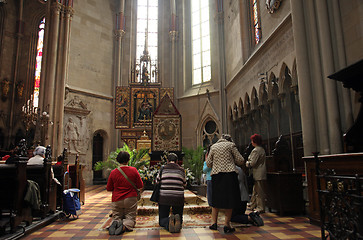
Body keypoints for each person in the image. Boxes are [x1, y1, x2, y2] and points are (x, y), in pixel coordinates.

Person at [206, 134, 245, 233]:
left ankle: (214, 223)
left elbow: (209, 163)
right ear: (230, 140)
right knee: (230, 200)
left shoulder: (214, 146)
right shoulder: (231, 145)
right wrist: (231, 161)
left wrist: (217, 163)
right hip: (229, 175)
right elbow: (240, 160)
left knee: (216, 200)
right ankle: (226, 224)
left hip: (217, 176)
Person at [106, 151, 143, 235]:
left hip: (117, 199)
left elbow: (109, 188)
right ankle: (124, 226)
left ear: (118, 160)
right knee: (130, 217)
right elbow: (140, 185)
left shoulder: (113, 172)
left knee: (117, 216)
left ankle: (115, 223)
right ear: (128, 160)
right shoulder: (133, 170)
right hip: (130, 198)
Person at [156, 153, 186, 233]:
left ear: (167, 161)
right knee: (179, 215)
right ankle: (177, 220)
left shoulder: (163, 169)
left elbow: (157, 181)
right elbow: (184, 183)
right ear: (177, 161)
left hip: (164, 198)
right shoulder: (181, 170)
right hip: (178, 198)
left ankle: (168, 221)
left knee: (162, 220)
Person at [246, 134, 267, 213]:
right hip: (259, 173)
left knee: (259, 192)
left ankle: (260, 207)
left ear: (255, 141)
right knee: (255, 190)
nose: (251, 142)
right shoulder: (261, 149)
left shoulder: (256, 150)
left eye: (252, 141)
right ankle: (253, 204)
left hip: (259, 173)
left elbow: (252, 163)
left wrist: (247, 163)